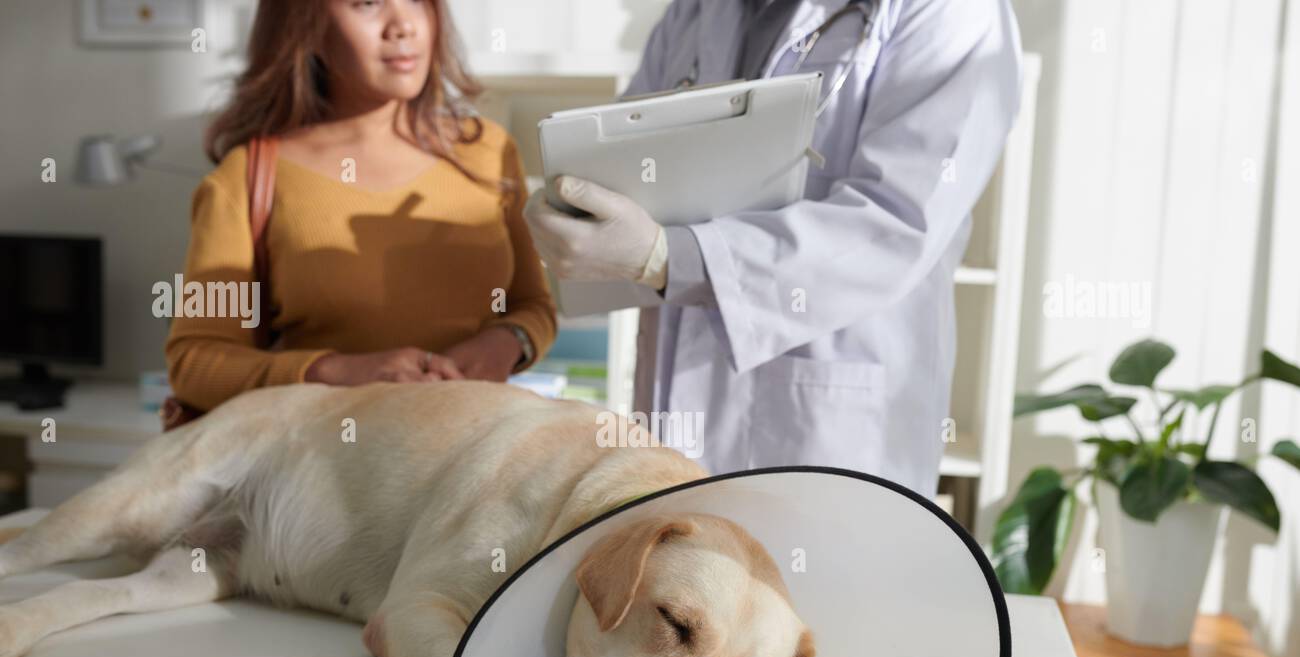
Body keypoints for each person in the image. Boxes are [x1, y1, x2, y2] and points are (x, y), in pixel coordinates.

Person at [525, 0, 1022, 497]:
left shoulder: (953, 12)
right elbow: (623, 157)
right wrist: (576, 207)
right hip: (671, 417)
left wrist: (669, 258)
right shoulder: (695, 12)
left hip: (825, 433)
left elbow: (896, 223)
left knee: (815, 571)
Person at [165, 0, 555, 414]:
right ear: (305, 23)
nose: (403, 24)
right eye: (367, 4)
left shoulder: (490, 150)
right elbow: (196, 362)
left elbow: (533, 306)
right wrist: (338, 372)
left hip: (474, 455)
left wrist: (508, 341)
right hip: (326, 463)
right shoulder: (244, 180)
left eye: (418, 2)